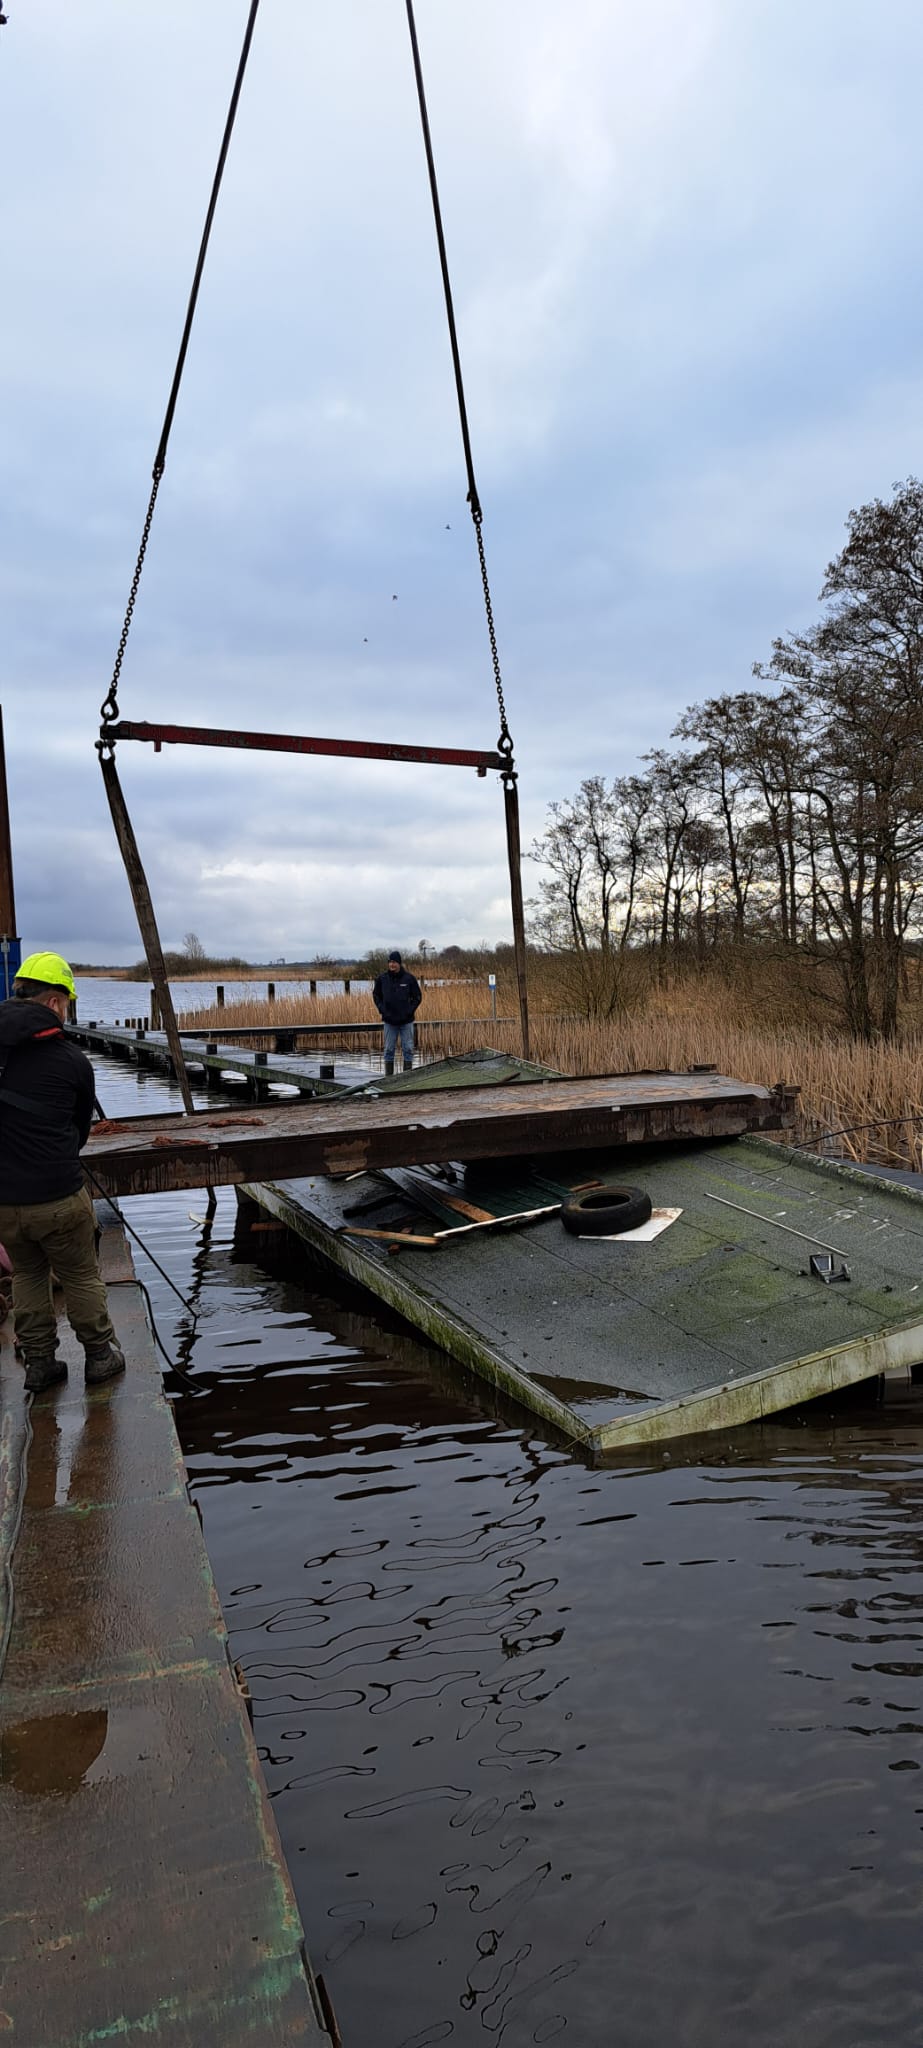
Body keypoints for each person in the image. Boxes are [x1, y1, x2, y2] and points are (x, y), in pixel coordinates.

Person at [0, 950, 124, 1394]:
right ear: (54, 1002)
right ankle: (100, 1356)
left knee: (27, 1275)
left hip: (5, 1201)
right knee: (80, 1274)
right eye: (67, 1003)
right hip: (58, 1194)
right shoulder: (71, 1061)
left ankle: (40, 1364)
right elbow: (79, 1128)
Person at [371, 950, 422, 1075]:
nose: (392, 964)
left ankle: (407, 1078)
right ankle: (389, 1078)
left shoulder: (409, 979)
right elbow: (376, 996)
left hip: (406, 1021)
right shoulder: (382, 979)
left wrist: (409, 1011)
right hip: (389, 1021)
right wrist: (382, 1010)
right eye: (390, 962)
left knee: (408, 1049)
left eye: (394, 962)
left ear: (399, 963)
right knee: (389, 1050)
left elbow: (417, 997)